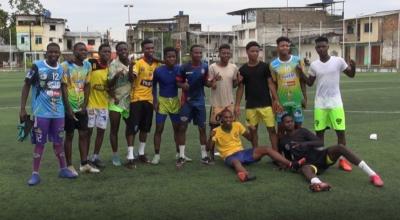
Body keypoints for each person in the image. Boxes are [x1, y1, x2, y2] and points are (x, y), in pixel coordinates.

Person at [19, 43, 77, 186]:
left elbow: (63, 89)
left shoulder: (61, 68)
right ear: (46, 53)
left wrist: (68, 109)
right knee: (40, 143)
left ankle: (63, 169)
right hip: (41, 113)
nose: (53, 55)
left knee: (58, 142)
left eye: (56, 52)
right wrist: (22, 108)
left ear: (59, 53)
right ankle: (35, 174)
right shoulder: (37, 66)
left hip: (58, 113)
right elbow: (26, 85)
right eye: (50, 52)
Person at [279, 114, 384, 192]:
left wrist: (304, 144)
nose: (290, 123)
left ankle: (373, 175)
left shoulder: (302, 131)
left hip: (321, 156)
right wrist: (292, 165)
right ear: (282, 124)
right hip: (308, 164)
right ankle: (319, 184)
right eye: (287, 122)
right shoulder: (283, 140)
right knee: (305, 169)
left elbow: (320, 142)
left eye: (291, 121)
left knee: (340, 147)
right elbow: (289, 159)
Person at [299, 36, 356, 172]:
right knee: (319, 134)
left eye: (323, 46)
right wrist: (300, 73)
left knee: (340, 133)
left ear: (328, 47)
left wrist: (353, 67)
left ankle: (342, 161)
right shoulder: (314, 65)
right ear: (316, 49)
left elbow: (351, 75)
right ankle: (320, 160)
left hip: (336, 103)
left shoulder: (338, 61)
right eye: (318, 47)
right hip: (320, 105)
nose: (321, 49)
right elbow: (310, 83)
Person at [208, 109, 299, 182]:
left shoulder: (237, 125)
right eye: (226, 117)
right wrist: (210, 137)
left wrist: (252, 130)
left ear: (233, 118)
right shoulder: (216, 131)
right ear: (221, 119)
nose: (228, 119)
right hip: (229, 156)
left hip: (242, 153)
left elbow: (250, 138)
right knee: (236, 162)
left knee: (266, 148)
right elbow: (209, 148)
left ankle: (290, 164)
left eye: (230, 117)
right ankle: (245, 174)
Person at [61, 42, 100, 175]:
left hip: (81, 107)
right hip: (69, 107)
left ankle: (84, 164)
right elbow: (64, 87)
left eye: (85, 50)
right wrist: (68, 108)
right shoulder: (65, 66)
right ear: (74, 51)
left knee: (84, 134)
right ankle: (69, 165)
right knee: (70, 135)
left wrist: (84, 105)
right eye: (81, 50)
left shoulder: (88, 65)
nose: (84, 52)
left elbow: (87, 85)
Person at [235, 41, 280, 150]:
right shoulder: (242, 69)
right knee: (253, 131)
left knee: (272, 130)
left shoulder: (265, 66)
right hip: (251, 106)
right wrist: (237, 105)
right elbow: (240, 88)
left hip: (266, 104)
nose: (255, 53)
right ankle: (256, 153)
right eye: (252, 51)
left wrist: (276, 100)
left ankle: (276, 154)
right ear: (247, 52)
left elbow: (270, 84)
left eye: (257, 51)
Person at [125, 39, 160, 168]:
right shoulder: (138, 63)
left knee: (145, 128)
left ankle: (141, 153)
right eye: (147, 49)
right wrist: (130, 66)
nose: (150, 50)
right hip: (136, 100)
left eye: (151, 48)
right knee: (133, 128)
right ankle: (130, 157)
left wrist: (155, 100)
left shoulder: (156, 64)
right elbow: (131, 78)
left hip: (149, 101)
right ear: (143, 50)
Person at [151, 47, 189, 164]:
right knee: (159, 129)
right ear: (165, 58)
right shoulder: (158, 70)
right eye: (169, 56)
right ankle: (157, 155)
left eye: (173, 56)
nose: (171, 58)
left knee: (177, 129)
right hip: (162, 102)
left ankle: (179, 153)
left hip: (175, 102)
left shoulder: (180, 69)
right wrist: (155, 100)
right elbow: (153, 86)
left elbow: (183, 83)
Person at [176, 44, 211, 167]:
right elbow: (178, 82)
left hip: (200, 102)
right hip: (187, 102)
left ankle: (204, 156)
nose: (198, 55)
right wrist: (182, 85)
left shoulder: (205, 67)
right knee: (182, 128)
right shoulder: (184, 67)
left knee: (202, 129)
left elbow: (206, 82)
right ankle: (181, 156)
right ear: (191, 54)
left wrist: (212, 82)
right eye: (196, 53)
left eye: (200, 53)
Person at [207, 44, 240, 157]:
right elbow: (211, 85)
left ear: (230, 54)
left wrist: (238, 81)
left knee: (231, 128)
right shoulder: (212, 67)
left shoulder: (234, 67)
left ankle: (232, 150)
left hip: (229, 103)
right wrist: (214, 81)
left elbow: (234, 85)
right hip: (217, 104)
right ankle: (211, 155)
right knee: (214, 130)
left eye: (227, 53)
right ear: (219, 54)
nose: (226, 55)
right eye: (223, 53)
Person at [270, 36, 307, 129]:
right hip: (282, 101)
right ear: (277, 48)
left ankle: (296, 144)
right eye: (282, 46)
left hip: (296, 99)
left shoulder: (298, 60)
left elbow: (302, 80)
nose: (285, 47)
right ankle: (282, 144)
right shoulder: (273, 65)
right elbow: (274, 84)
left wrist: (305, 97)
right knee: (281, 127)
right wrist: (275, 100)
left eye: (287, 45)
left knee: (298, 126)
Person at [86, 43, 112, 169]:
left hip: (103, 105)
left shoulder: (111, 68)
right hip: (90, 105)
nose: (106, 54)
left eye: (108, 52)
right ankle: (85, 158)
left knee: (101, 132)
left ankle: (95, 156)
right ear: (99, 53)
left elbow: (110, 86)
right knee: (88, 132)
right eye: (104, 51)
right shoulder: (91, 63)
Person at [108, 41, 131, 166]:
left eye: (125, 49)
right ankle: (115, 155)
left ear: (128, 50)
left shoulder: (133, 63)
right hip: (116, 101)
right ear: (117, 52)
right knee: (114, 129)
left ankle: (130, 152)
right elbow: (109, 85)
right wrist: (116, 76)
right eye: (120, 50)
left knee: (131, 128)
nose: (123, 52)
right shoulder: (113, 65)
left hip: (129, 101)